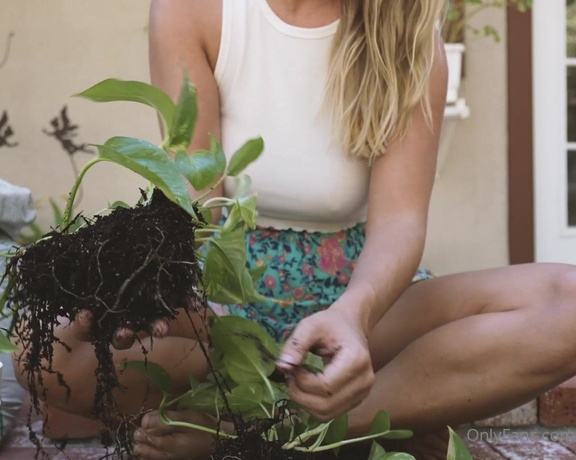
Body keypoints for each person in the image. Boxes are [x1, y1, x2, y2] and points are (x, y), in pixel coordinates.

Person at [13, 0, 576, 459]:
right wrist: (167, 289)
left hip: (356, 296)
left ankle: (263, 429)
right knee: (46, 350)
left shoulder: (408, 35)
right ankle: (374, 416)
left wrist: (352, 317)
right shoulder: (197, 10)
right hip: (228, 298)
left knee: (568, 304)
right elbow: (196, 194)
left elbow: (400, 222)